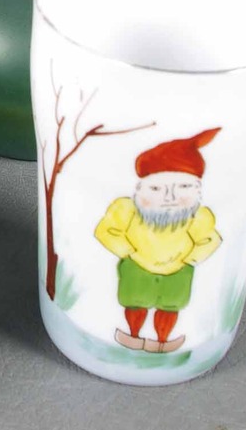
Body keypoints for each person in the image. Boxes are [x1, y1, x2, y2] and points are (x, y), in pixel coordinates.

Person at [93, 129, 223, 353]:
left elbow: (210, 239)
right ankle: (133, 335)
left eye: (183, 187)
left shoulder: (198, 216)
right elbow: (107, 230)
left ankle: (162, 341)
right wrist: (128, 252)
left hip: (177, 271)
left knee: (170, 305)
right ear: (141, 188)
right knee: (135, 301)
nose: (169, 197)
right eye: (156, 188)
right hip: (137, 266)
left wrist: (190, 259)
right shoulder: (127, 209)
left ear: (196, 189)